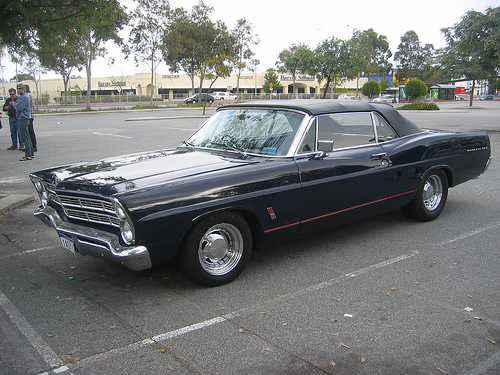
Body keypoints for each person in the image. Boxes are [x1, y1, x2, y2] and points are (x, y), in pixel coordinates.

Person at [11, 84, 33, 161]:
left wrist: (14, 105)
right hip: (23, 118)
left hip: (23, 118)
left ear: (23, 89)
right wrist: (16, 104)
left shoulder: (24, 97)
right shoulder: (21, 97)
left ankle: (28, 155)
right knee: (27, 136)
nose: (18, 90)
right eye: (17, 88)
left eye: (20, 88)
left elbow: (19, 107)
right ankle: (31, 153)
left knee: (24, 137)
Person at [24, 84, 37, 151]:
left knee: (30, 131)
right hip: (29, 115)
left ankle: (33, 146)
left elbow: (24, 105)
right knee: (28, 132)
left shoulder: (28, 96)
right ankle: (30, 146)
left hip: (28, 116)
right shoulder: (28, 96)